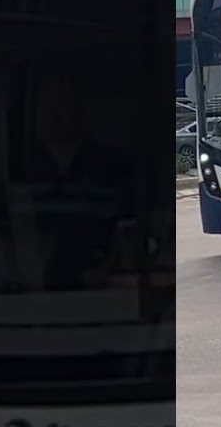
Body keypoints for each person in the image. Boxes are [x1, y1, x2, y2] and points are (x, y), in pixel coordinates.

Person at [25, 73, 134, 289]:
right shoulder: (18, 169)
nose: (52, 112)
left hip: (102, 292)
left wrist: (109, 268)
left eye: (62, 102)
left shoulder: (113, 167)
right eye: (46, 103)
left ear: (79, 109)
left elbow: (132, 233)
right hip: (28, 292)